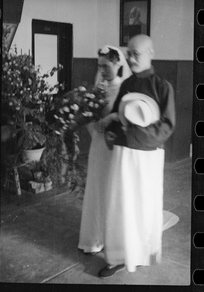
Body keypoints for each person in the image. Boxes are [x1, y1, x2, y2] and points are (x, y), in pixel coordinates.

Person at [98, 34, 176, 277]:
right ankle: (118, 257)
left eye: (136, 53)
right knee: (119, 205)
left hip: (146, 157)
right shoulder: (127, 85)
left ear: (151, 53)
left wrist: (131, 134)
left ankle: (140, 254)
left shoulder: (163, 87)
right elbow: (116, 115)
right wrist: (112, 132)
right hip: (123, 155)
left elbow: (166, 126)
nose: (130, 58)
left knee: (142, 206)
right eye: (128, 53)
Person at [77, 45, 132, 254]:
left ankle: (112, 239)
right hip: (98, 144)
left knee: (112, 189)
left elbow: (124, 117)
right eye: (99, 66)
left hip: (114, 145)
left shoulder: (123, 88)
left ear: (118, 63)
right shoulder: (98, 88)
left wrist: (110, 123)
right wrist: (91, 125)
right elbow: (89, 114)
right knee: (97, 187)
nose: (102, 71)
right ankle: (94, 238)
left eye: (106, 65)